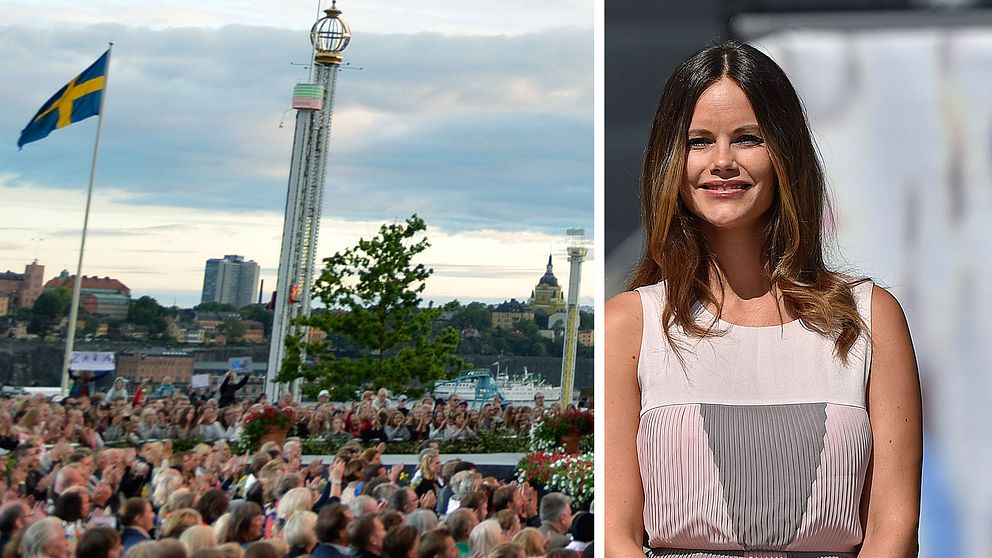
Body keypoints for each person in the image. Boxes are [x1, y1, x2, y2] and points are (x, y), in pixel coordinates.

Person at [604, 41, 923, 557]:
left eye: (748, 138)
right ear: (670, 159)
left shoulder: (868, 319)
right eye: (699, 141)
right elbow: (615, 536)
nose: (722, 161)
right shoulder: (630, 324)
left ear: (785, 152)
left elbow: (895, 524)